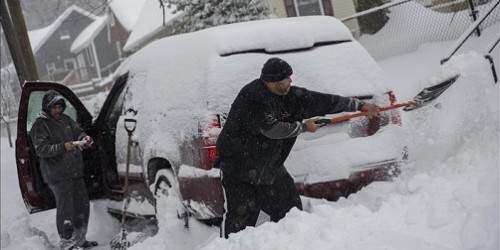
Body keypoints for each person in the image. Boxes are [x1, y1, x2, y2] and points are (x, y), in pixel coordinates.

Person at [215, 57, 380, 238]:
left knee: (290, 213)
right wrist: (303, 127)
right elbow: (272, 129)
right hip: (238, 167)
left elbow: (324, 101)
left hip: (269, 167)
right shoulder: (253, 97)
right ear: (268, 82)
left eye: (288, 79)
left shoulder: (292, 96)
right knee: (240, 224)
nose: (288, 84)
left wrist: (359, 105)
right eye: (282, 81)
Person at [30, 90, 97, 250]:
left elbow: (78, 132)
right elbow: (41, 149)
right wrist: (63, 147)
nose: (57, 110)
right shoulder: (40, 125)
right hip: (57, 175)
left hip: (75, 171)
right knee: (66, 209)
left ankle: (80, 240)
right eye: (54, 107)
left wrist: (84, 138)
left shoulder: (66, 120)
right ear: (47, 107)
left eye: (60, 107)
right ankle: (68, 243)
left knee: (82, 205)